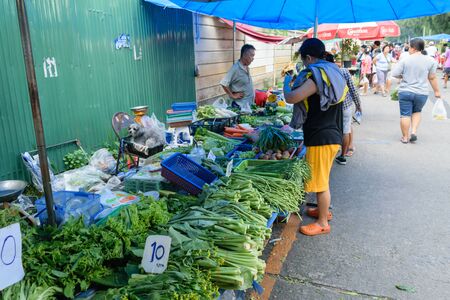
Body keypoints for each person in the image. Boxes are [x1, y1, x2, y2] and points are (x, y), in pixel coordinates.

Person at [283, 38, 347, 236]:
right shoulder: (332, 71)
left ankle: (322, 222)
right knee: (322, 177)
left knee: (320, 183)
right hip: (331, 132)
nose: (304, 65)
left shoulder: (316, 76)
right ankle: (322, 210)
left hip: (321, 135)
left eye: (304, 61)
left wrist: (287, 82)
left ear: (309, 57)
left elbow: (291, 97)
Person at [391, 38, 441, 143]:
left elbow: (395, 73)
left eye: (409, 47)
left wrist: (404, 75)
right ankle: (413, 132)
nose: (408, 49)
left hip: (405, 91)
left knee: (405, 114)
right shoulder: (431, 61)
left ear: (413, 48)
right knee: (417, 111)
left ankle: (405, 137)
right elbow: (432, 77)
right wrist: (437, 91)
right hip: (421, 92)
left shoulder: (405, 59)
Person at [324, 53, 362, 165]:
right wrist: (358, 105)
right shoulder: (344, 71)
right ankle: (342, 156)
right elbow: (353, 89)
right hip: (346, 106)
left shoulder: (322, 73)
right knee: (346, 129)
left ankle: (333, 151)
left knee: (334, 129)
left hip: (330, 107)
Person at [220, 44, 256, 110]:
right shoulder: (235, 68)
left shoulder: (246, 66)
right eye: (252, 55)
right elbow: (223, 83)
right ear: (244, 55)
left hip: (248, 105)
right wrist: (232, 95)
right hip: (240, 107)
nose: (253, 58)